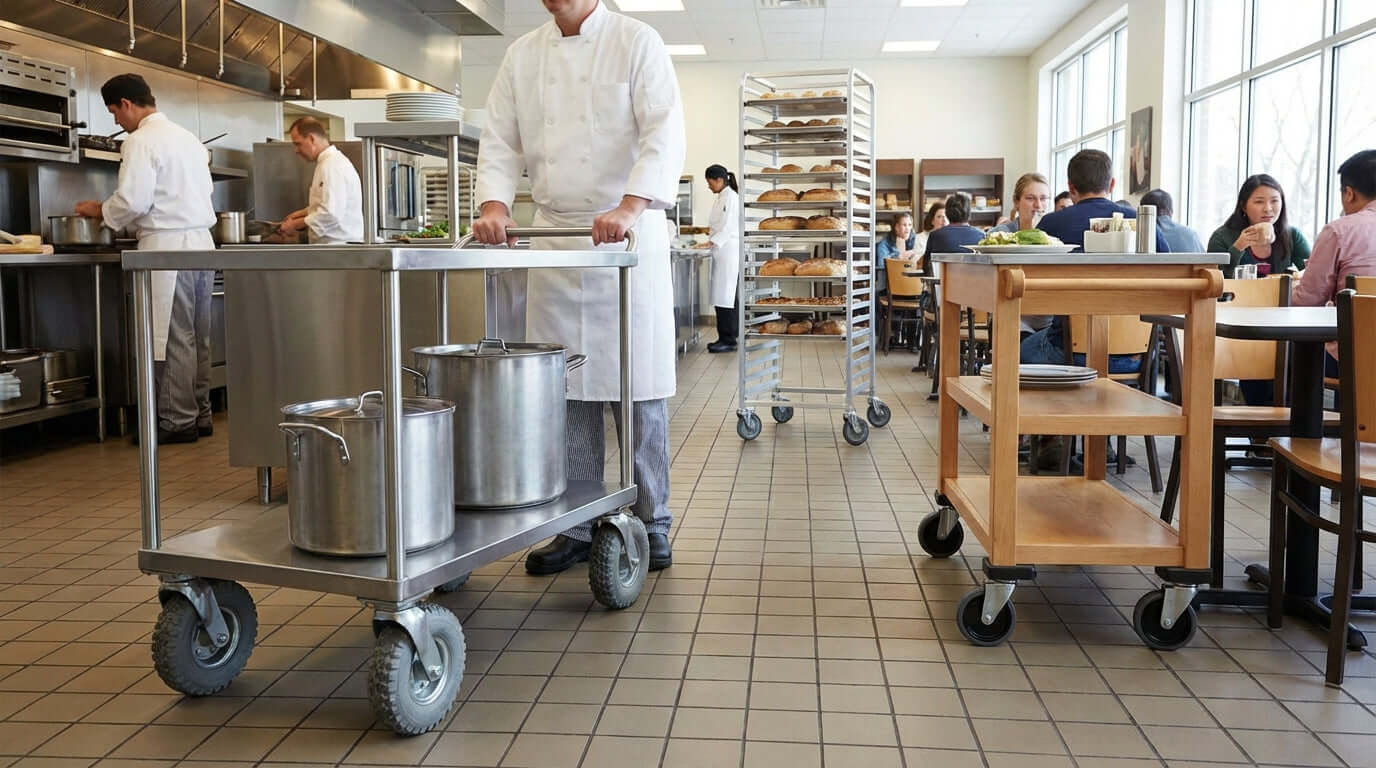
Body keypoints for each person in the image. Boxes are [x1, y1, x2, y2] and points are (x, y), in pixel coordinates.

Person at [474, 0, 684, 575]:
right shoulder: (522, 55)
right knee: (565, 395)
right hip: (556, 238)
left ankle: (652, 519)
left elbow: (662, 130)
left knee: (637, 390)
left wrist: (631, 204)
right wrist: (494, 203)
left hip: (626, 235)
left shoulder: (637, 40)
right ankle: (578, 526)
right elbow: (499, 139)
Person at [75, 74, 215, 444]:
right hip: (201, 243)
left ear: (126, 104)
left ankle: (176, 421)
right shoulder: (189, 139)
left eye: (114, 113)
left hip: (168, 246)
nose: (116, 122)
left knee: (172, 336)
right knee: (198, 335)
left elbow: (134, 201)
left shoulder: (140, 142)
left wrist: (101, 211)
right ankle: (200, 414)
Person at [1020, 149, 1168, 369]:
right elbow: (1168, 276)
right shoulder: (1144, 224)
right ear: (1112, 184)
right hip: (1137, 355)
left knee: (1018, 348)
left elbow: (1028, 286)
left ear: (1071, 188)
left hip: (1067, 351)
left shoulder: (1051, 225)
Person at [1292, 149, 1376, 376]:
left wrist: (1283, 293)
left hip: (1357, 359)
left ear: (1349, 193)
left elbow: (1308, 301)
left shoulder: (1340, 231)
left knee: (1284, 357)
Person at [277, 117, 363, 244]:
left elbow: (330, 213)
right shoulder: (328, 163)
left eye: (298, 144)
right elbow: (327, 202)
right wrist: (302, 213)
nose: (296, 151)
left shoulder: (332, 165)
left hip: (337, 248)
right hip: (334, 248)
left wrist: (295, 224)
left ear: (311, 138)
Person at [1207, 174, 1311, 279]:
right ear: (1243, 206)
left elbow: (1313, 273)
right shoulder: (1220, 237)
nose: (1268, 208)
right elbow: (1216, 283)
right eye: (1259, 202)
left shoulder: (1293, 236)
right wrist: (1238, 247)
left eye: (1274, 201)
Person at [990, 172, 1054, 336]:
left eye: (1043, 198)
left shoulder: (1055, 237)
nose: (1038, 205)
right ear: (1016, 202)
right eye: (1031, 198)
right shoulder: (1000, 235)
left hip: (1050, 315)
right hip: (1012, 312)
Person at [700, 164, 740, 353]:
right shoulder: (721, 198)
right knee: (723, 296)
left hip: (727, 250)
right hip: (720, 250)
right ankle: (727, 336)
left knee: (726, 296)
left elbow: (729, 227)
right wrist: (710, 241)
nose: (709, 186)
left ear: (719, 180)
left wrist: (712, 242)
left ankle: (728, 339)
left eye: (709, 182)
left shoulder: (731, 198)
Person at [921, 193, 984, 273]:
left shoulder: (936, 236)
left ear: (947, 213)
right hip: (975, 283)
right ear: (969, 213)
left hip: (943, 284)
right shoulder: (981, 236)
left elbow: (926, 268)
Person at [1140, 188, 1203, 253]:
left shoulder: (1137, 237)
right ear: (1171, 211)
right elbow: (1205, 261)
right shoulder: (1191, 235)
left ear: (1141, 212)